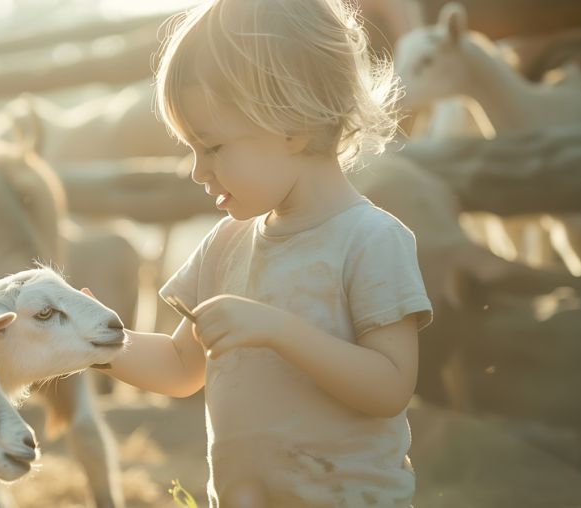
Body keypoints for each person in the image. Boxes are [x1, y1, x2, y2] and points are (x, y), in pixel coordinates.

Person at [94, 0, 434, 506]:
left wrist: (278, 331)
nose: (197, 171)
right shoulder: (225, 247)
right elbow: (178, 366)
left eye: (211, 147)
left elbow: (389, 387)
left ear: (290, 125)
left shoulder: (370, 240)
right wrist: (90, 339)